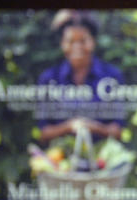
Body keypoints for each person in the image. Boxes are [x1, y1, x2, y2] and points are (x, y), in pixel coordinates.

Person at [37, 10, 124, 144]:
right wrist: (69, 126)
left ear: (93, 42)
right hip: (61, 160)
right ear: (62, 44)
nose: (77, 47)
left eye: (83, 40)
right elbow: (43, 133)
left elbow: (118, 131)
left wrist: (94, 127)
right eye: (70, 41)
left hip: (102, 160)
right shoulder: (49, 79)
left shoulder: (112, 76)